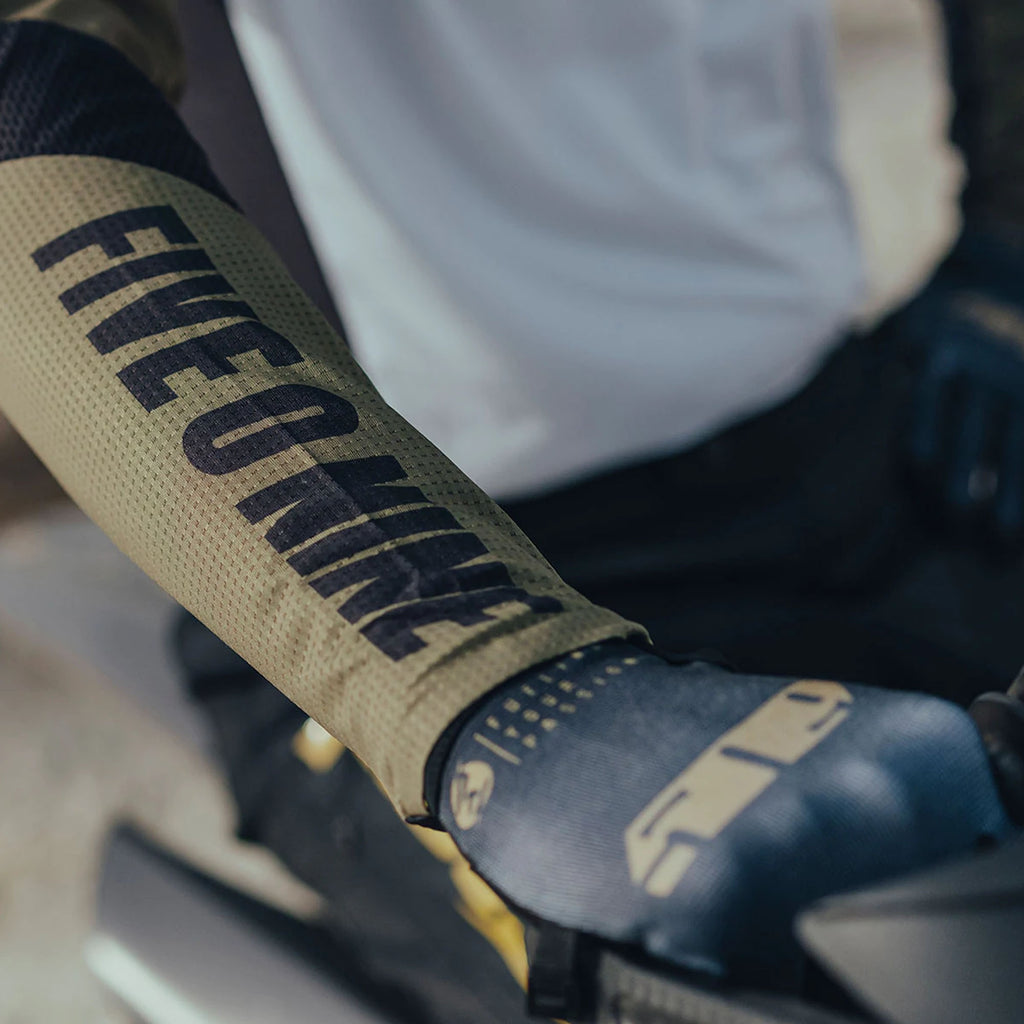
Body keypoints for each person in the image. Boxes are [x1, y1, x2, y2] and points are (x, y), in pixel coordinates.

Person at [0, 2, 1020, 1022]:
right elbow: (25, 78)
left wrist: (1006, 255)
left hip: (851, 443)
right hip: (426, 572)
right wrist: (487, 684)